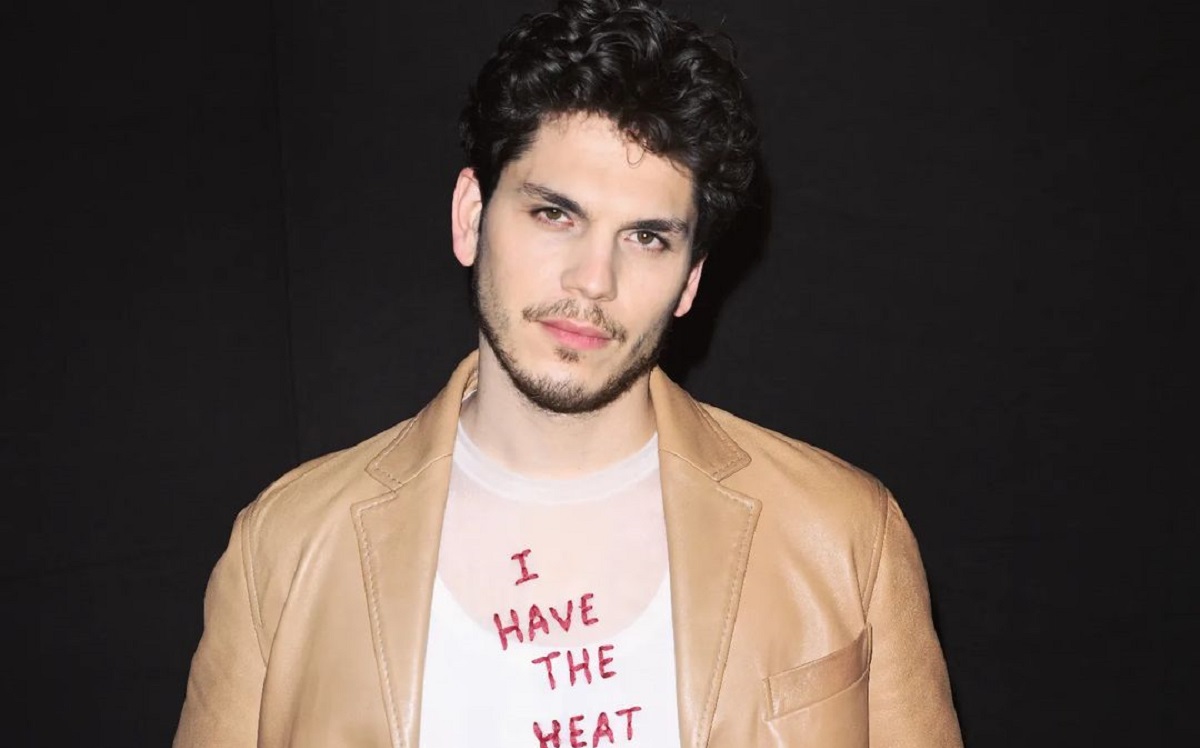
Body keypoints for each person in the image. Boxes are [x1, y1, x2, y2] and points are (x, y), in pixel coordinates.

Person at [174, 1, 962, 745]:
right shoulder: (285, 545)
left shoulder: (843, 531)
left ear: (690, 280)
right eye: (555, 214)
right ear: (471, 217)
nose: (594, 280)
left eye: (647, 237)